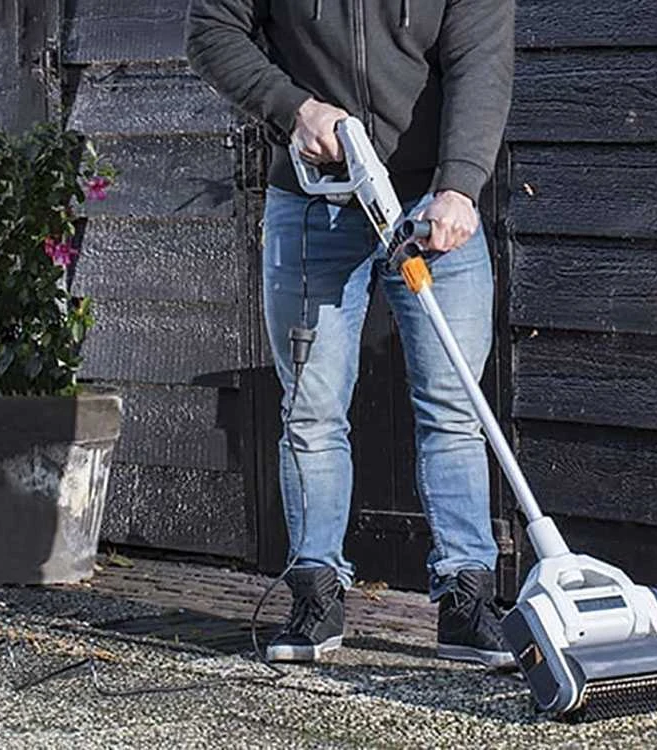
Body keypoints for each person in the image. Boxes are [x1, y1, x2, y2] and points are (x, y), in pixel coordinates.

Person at [185, 0, 514, 667]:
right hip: (315, 199)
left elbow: (481, 61)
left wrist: (460, 184)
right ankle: (315, 594)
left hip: (429, 204)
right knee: (311, 411)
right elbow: (211, 29)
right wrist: (294, 108)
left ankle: (467, 598)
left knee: (454, 409)